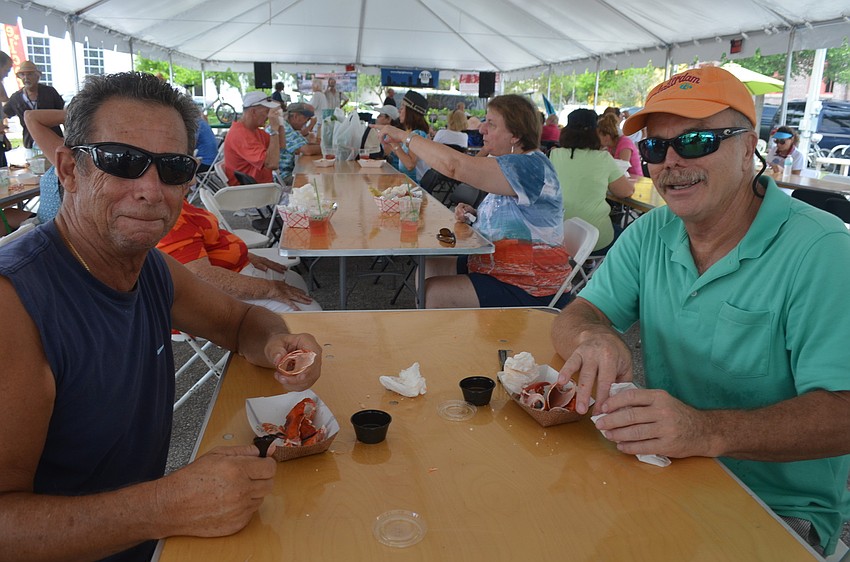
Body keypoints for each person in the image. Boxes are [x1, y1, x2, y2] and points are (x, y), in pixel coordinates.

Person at [0, 71, 322, 562]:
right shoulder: (14, 306)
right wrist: (164, 505)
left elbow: (241, 325)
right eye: (122, 161)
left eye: (172, 168)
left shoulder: (148, 268)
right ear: (68, 169)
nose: (151, 189)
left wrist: (282, 343)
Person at [550, 66, 850, 557]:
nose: (670, 162)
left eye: (696, 141)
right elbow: (574, 316)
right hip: (661, 470)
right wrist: (594, 337)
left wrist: (705, 431)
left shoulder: (821, 250)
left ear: (749, 146)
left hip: (776, 506)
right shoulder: (652, 233)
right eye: (653, 148)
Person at [374, 94, 570, 309]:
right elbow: (514, 214)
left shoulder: (529, 167)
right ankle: (449, 334)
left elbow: (454, 166)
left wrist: (404, 137)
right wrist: (476, 215)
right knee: (428, 267)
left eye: (491, 124)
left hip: (530, 284)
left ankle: (450, 337)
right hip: (498, 266)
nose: (481, 129)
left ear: (516, 135)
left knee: (433, 293)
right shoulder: (515, 164)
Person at [157, 200, 321, 313]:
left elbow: (205, 241)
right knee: (311, 316)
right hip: (209, 297)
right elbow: (200, 276)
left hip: (236, 271)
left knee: (295, 281)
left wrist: (242, 253)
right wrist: (270, 288)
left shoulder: (177, 202)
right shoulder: (168, 215)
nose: (192, 179)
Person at [549, 108, 634, 252]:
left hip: (559, 236)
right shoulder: (603, 158)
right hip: (595, 239)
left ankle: (585, 267)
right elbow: (625, 192)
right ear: (596, 133)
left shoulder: (554, 155)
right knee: (628, 237)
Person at [223, 91, 284, 185]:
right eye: (266, 111)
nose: (268, 117)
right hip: (250, 191)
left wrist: (280, 123)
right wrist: (274, 130)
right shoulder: (240, 134)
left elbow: (281, 146)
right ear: (253, 112)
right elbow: (272, 163)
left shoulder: (254, 130)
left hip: (260, 187)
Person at [2, 60, 65, 149]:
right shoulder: (15, 98)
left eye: (30, 74)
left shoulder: (50, 92)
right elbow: (3, 114)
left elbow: (64, 115)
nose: (26, 78)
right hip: (30, 144)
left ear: (37, 76)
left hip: (54, 141)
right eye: (23, 75)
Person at [23, 109, 64, 224]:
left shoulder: (71, 155)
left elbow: (30, 116)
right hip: (41, 218)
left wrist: (83, 111)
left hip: (49, 226)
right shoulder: (63, 149)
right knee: (7, 214)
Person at [382, 90, 431, 182]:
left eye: (403, 106)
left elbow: (410, 165)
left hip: (414, 188)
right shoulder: (410, 132)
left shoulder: (418, 134)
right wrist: (390, 145)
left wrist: (394, 143)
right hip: (405, 183)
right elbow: (403, 156)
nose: (399, 110)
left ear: (410, 112)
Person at [278, 102, 321, 182]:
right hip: (283, 177)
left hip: (287, 173)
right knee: (315, 181)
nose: (306, 121)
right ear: (295, 116)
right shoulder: (283, 128)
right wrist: (325, 148)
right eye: (306, 118)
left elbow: (304, 145)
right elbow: (307, 150)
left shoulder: (288, 126)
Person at [597, 112, 644, 177]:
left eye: (598, 136)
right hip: (626, 180)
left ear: (607, 136)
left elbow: (622, 169)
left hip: (637, 180)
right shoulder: (609, 147)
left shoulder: (625, 143)